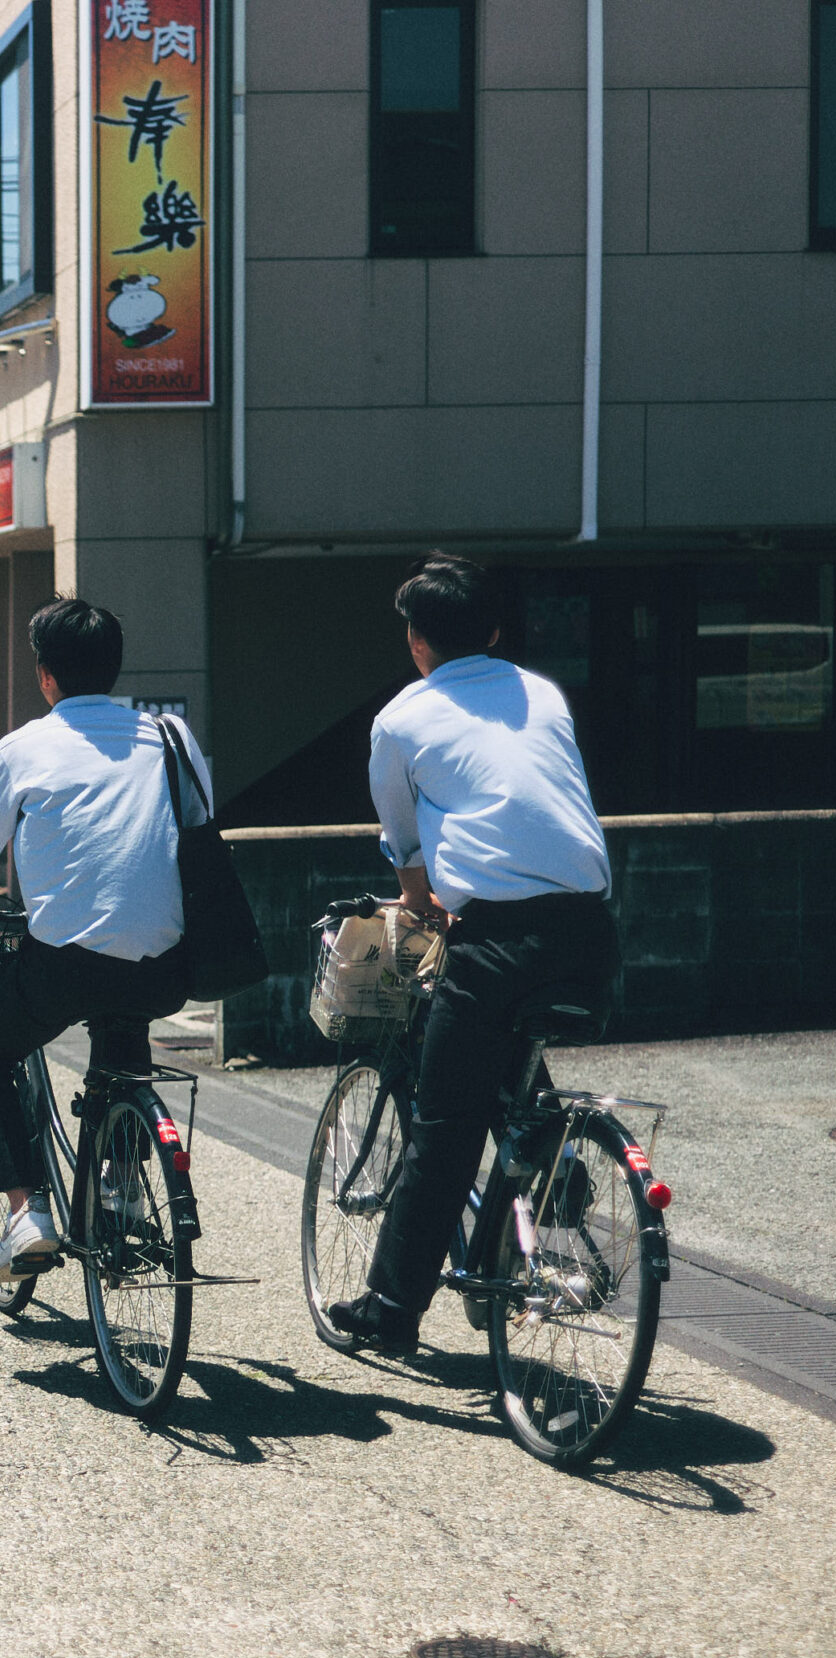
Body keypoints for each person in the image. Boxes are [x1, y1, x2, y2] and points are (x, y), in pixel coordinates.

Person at [327, 552, 618, 1353]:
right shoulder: (543, 693)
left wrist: (420, 905)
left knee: (443, 1125)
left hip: (496, 937)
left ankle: (389, 1313)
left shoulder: (402, 718)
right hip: (592, 930)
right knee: (502, 1048)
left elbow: (404, 840)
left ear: (416, 640)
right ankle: (554, 1169)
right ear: (493, 631)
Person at [0, 598, 213, 1281]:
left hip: (65, 966)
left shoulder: (23, 747)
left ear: (45, 675)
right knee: (123, 1018)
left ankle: (27, 1214)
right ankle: (121, 1182)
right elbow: (198, 823)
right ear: (113, 670)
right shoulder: (171, 736)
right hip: (169, 964)